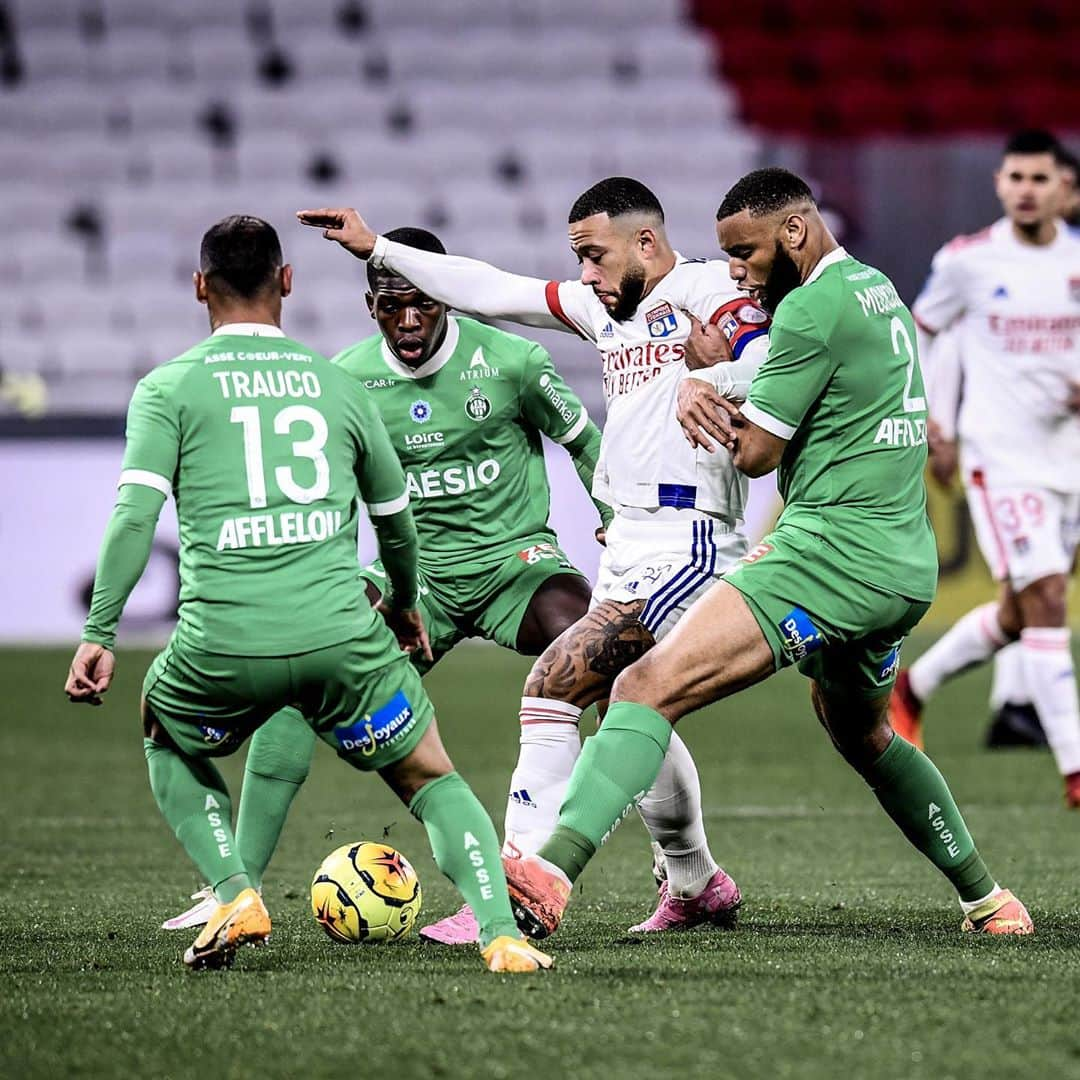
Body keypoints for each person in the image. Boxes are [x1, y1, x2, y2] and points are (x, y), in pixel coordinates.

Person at [491, 167, 1033, 940]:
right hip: (900, 562)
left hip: (828, 556)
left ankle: (549, 871)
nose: (737, 274)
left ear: (795, 231)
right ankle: (989, 900)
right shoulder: (875, 291)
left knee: (643, 686)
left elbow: (753, 455)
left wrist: (701, 373)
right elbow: (801, 380)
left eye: (744, 254)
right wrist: (726, 369)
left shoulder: (810, 309)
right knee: (863, 733)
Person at [63, 215, 551, 974]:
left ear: (200, 287)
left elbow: (135, 515)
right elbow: (394, 524)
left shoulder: (168, 387)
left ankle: (234, 888)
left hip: (220, 645)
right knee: (432, 777)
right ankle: (500, 934)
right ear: (287, 281)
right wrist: (405, 602)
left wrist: (100, 632)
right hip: (342, 639)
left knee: (164, 726)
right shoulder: (339, 383)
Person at [299, 177, 772, 934]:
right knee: (633, 698)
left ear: (644, 242)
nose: (584, 273)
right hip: (632, 538)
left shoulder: (711, 290)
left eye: (593, 255)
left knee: (553, 686)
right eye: (577, 259)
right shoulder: (602, 308)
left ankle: (513, 893)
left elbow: (779, 365)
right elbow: (489, 289)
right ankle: (695, 883)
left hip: (691, 534)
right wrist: (379, 247)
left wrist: (718, 371)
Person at [164, 226, 605, 947]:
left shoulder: (513, 361)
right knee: (296, 685)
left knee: (608, 658)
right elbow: (333, 495)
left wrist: (616, 519)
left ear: (448, 302)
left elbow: (587, 443)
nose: (407, 319)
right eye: (390, 305)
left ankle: (683, 867)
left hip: (511, 565)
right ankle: (234, 885)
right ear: (371, 305)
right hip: (415, 580)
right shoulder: (347, 380)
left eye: (423, 304)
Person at [888, 130, 1080, 806]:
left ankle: (913, 686)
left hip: (1071, 461)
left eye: (1040, 178)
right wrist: (933, 424)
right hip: (1001, 457)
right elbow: (922, 332)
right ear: (1000, 184)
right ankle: (1076, 768)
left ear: (1069, 190)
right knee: (1050, 598)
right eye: (1016, 177)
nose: (1026, 189)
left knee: (1021, 610)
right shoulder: (968, 261)